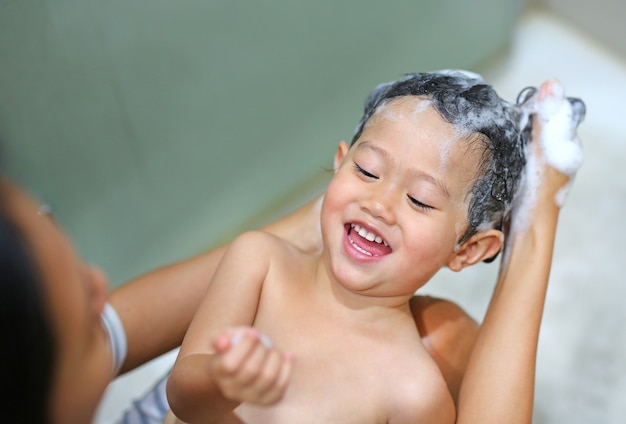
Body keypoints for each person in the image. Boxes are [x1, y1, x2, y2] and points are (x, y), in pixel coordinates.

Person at [0, 69, 584, 424]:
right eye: (365, 170)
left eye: (422, 201)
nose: (381, 204)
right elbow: (183, 396)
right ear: (337, 162)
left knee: (450, 334)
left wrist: (360, 188)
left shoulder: (415, 389)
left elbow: (112, 336)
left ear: (468, 250)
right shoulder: (259, 261)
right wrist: (220, 384)